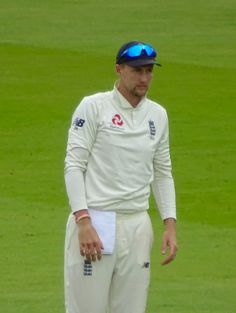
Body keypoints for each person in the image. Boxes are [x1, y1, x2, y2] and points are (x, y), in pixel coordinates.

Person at [64, 40, 178, 313]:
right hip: (96, 221)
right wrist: (83, 220)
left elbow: (162, 171)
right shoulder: (93, 107)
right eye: (137, 71)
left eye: (149, 71)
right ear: (118, 69)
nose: (144, 78)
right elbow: (73, 165)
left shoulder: (157, 115)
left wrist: (170, 224)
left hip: (138, 224)